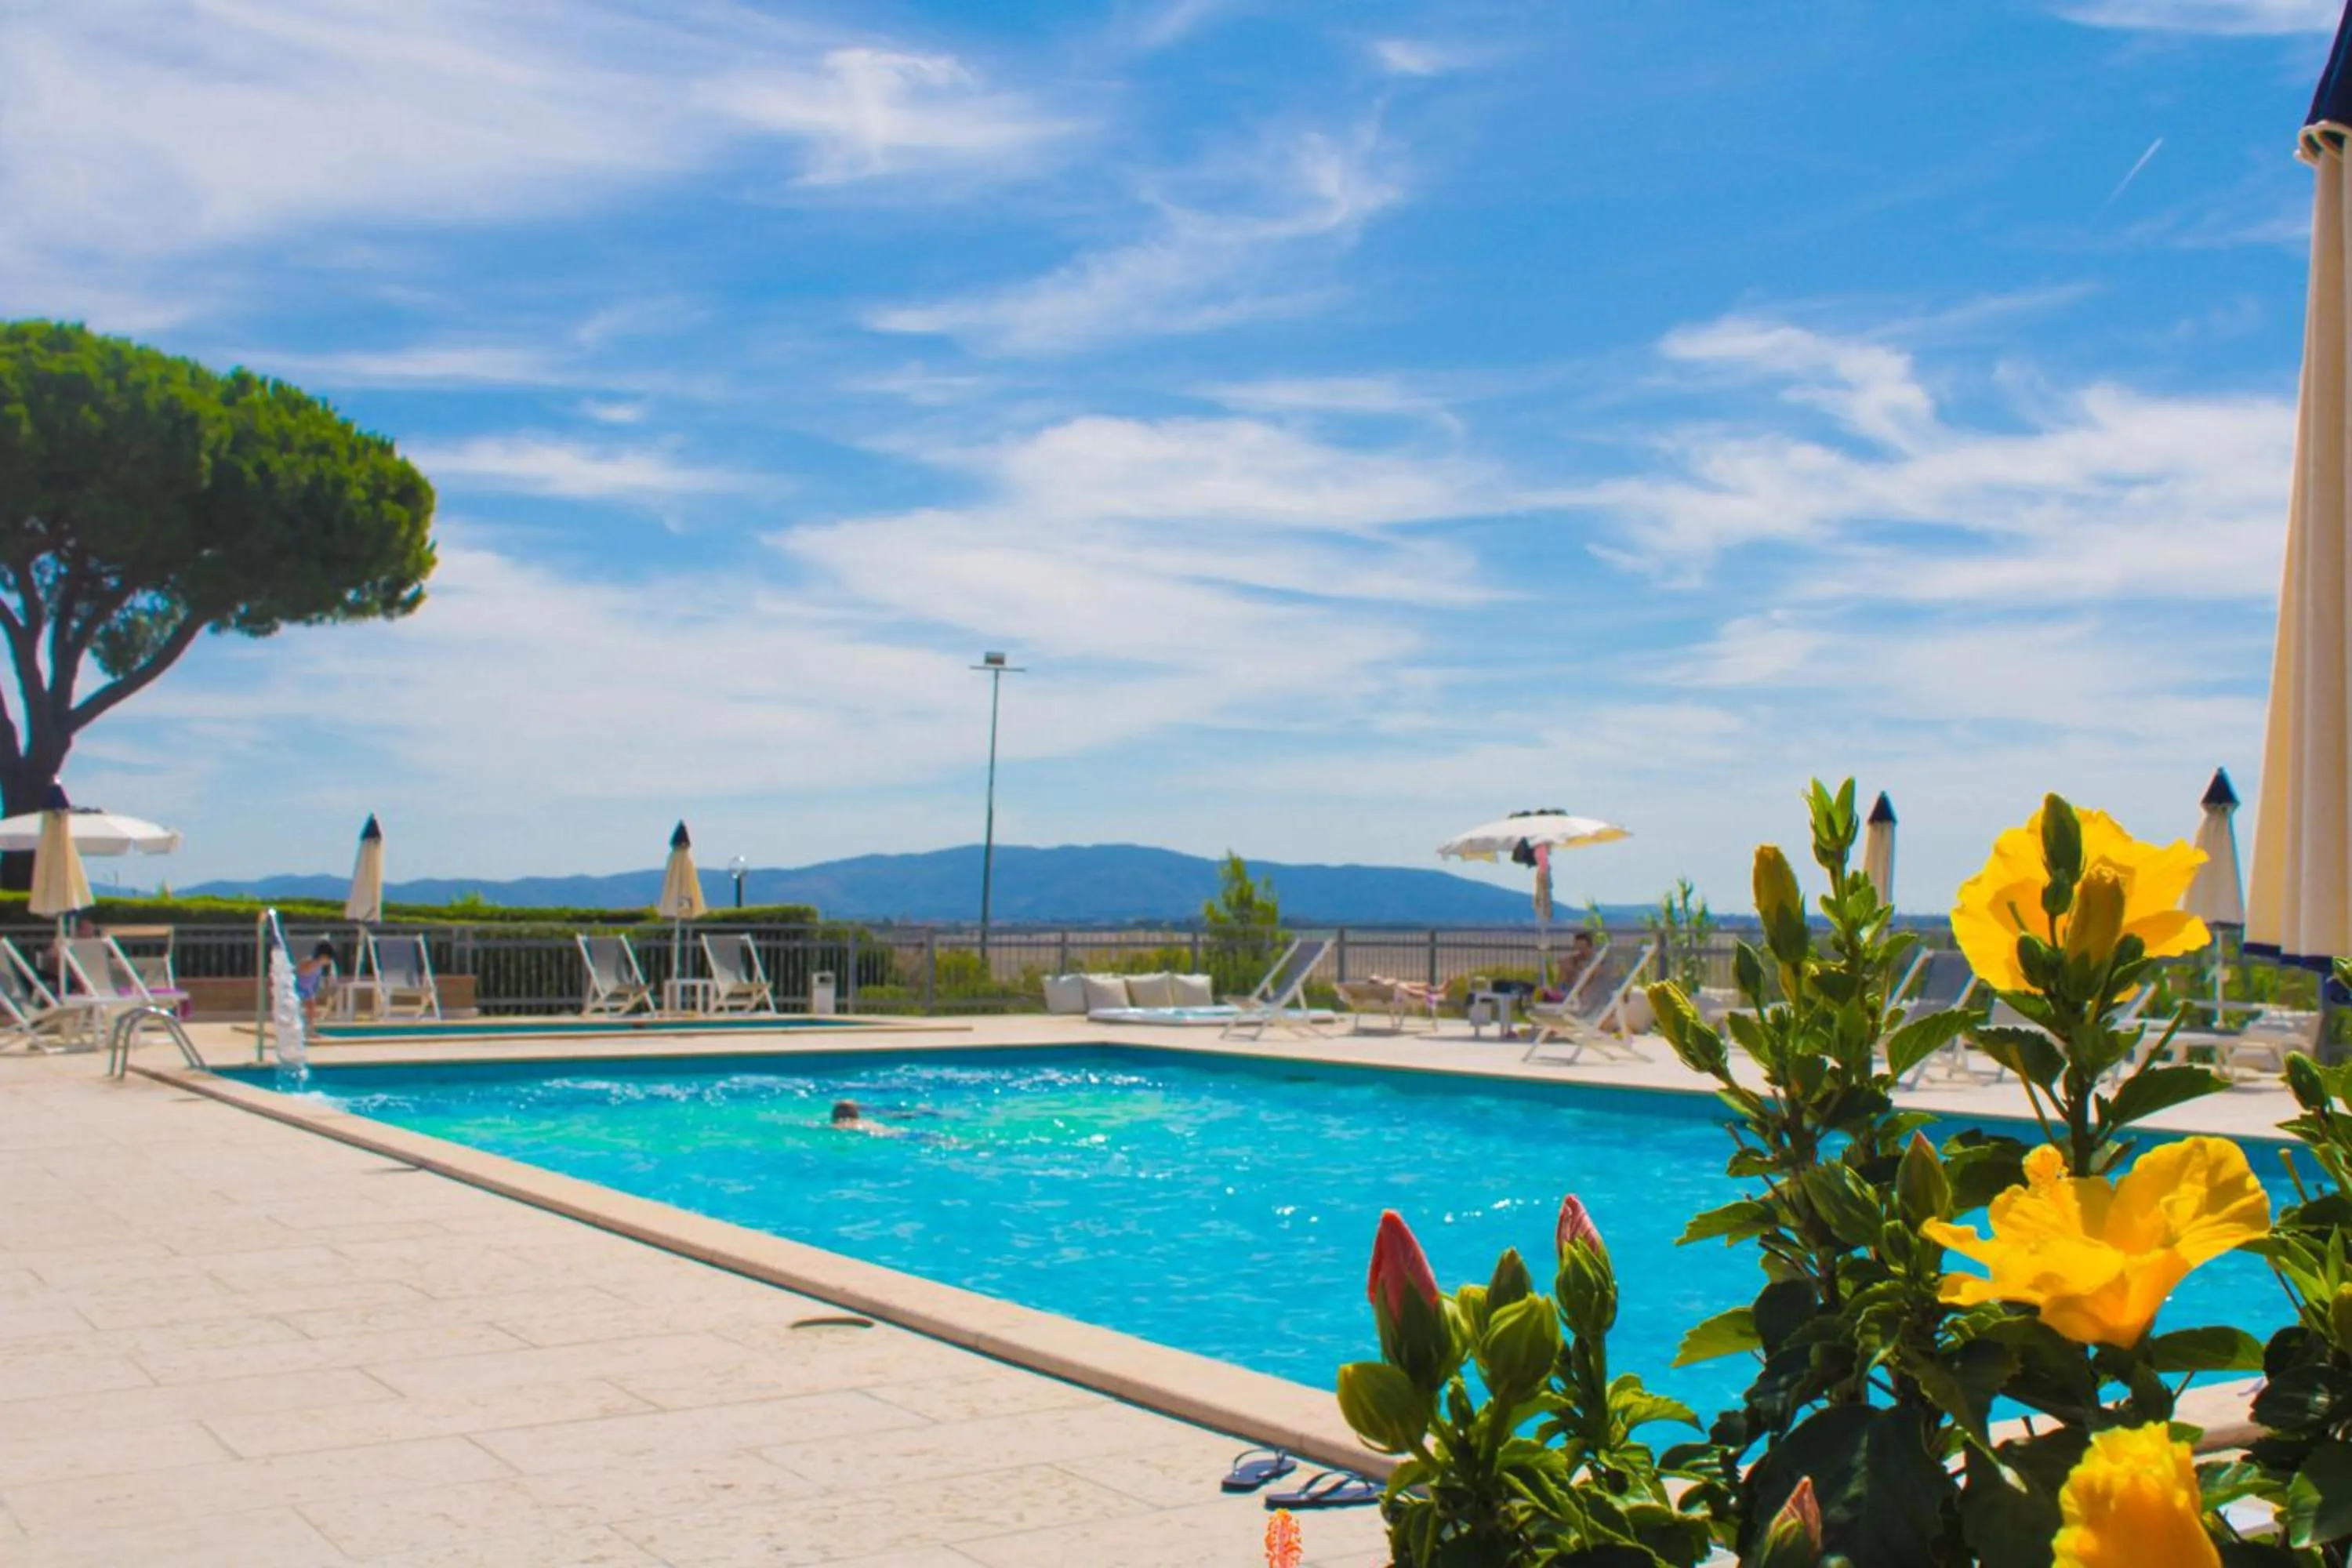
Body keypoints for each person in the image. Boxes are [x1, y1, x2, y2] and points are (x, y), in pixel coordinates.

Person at [295, 940, 337, 1025]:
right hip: (298, 986)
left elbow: (317, 978)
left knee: (312, 1007)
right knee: (309, 1006)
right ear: (323, 956)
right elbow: (302, 972)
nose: (328, 961)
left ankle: (310, 1029)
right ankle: (307, 1028)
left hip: (308, 989)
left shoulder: (320, 966)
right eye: (328, 959)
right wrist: (315, 964)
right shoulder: (309, 961)